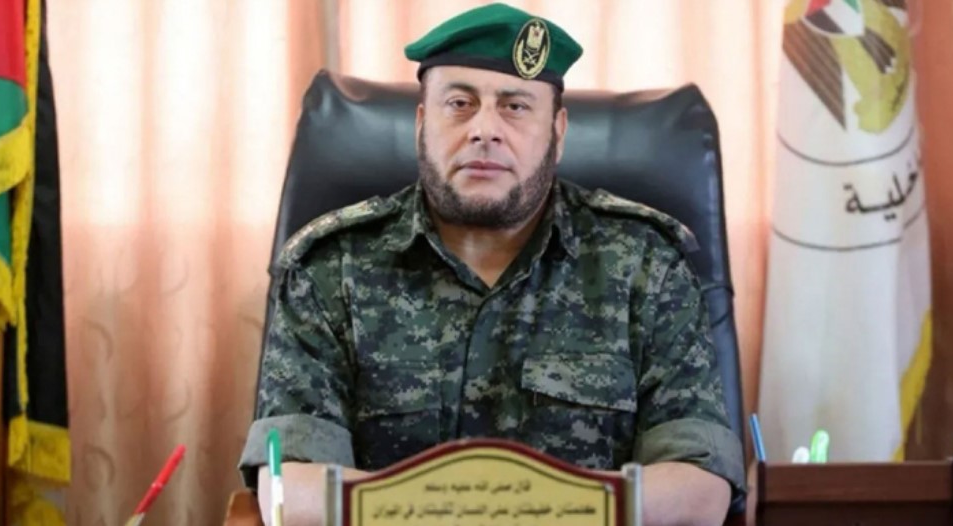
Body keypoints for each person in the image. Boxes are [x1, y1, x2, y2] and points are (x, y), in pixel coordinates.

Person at [239, 3, 745, 525]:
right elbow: (291, 492)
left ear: (558, 132)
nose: (485, 129)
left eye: (515, 106)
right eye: (459, 103)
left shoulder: (646, 266)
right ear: (422, 123)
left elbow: (699, 489)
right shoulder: (330, 268)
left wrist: (481, 508)